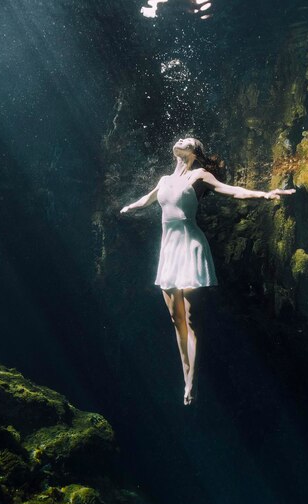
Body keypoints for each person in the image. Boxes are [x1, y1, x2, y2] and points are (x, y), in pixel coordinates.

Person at [120, 137, 295, 406]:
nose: (180, 139)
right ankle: (185, 375)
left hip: (190, 246)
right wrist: (132, 206)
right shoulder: (165, 179)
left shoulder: (199, 175)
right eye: (180, 138)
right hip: (169, 250)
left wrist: (265, 194)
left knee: (190, 319)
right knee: (175, 319)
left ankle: (192, 381)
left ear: (194, 153)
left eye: (187, 140)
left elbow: (232, 190)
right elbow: (149, 198)